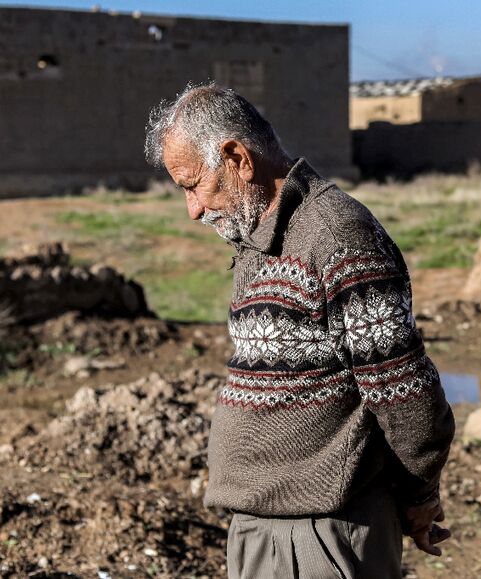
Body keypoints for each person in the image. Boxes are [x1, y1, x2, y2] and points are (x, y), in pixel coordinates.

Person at [144, 82, 455, 578]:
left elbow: (405, 393)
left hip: (321, 534)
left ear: (237, 159)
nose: (193, 209)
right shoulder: (259, 240)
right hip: (261, 527)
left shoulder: (336, 236)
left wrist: (419, 493)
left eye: (192, 184)